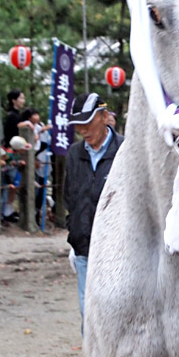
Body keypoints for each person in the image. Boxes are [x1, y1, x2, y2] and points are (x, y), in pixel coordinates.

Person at [63, 93, 122, 322]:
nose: (83, 130)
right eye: (79, 126)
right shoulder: (75, 154)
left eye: (88, 123)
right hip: (84, 247)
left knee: (117, 312)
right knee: (89, 313)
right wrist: (74, 233)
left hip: (118, 249)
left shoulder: (124, 150)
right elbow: (70, 197)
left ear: (105, 116)